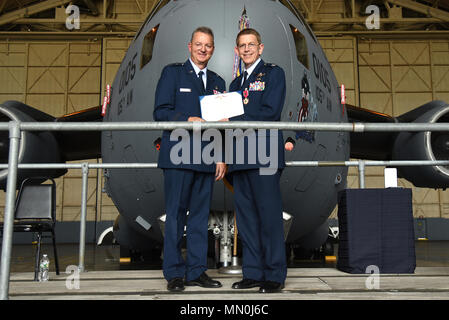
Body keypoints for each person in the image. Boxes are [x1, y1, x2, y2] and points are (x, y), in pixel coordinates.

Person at [153, 26, 227, 292]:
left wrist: (221, 157)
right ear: (190, 46)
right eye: (198, 44)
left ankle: (196, 271)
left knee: (199, 218)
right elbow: (160, 112)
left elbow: (221, 125)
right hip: (178, 155)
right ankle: (174, 273)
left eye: (208, 45)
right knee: (175, 217)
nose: (203, 49)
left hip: (206, 158)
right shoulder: (172, 74)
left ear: (213, 49)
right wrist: (186, 120)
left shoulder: (218, 82)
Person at [227, 28, 287, 293]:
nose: (247, 49)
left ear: (260, 48)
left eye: (252, 45)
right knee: (247, 220)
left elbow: (269, 113)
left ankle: (274, 275)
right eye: (242, 45)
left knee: (269, 217)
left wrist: (232, 120)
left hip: (265, 155)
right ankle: (252, 272)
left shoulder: (274, 74)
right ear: (237, 51)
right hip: (240, 158)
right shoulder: (234, 85)